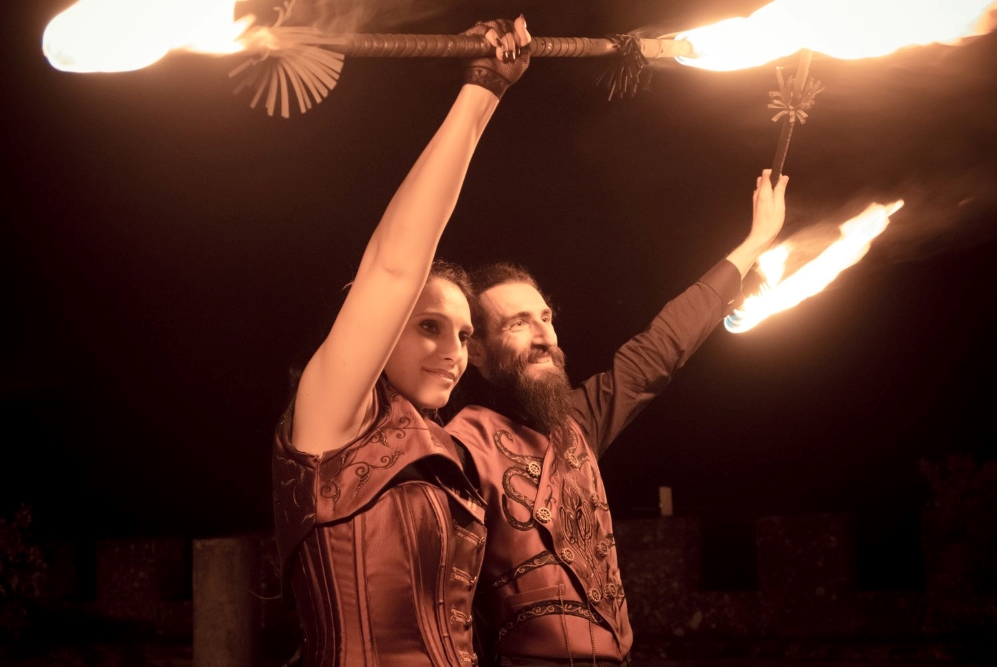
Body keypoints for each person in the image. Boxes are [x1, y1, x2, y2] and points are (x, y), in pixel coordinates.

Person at [446, 169, 789, 667]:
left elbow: (660, 349)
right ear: (475, 350)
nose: (544, 336)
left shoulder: (576, 426)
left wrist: (755, 243)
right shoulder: (457, 446)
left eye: (546, 318)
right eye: (518, 324)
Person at [271, 17, 530, 667]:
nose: (453, 349)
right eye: (428, 325)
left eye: (465, 334)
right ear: (382, 332)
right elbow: (394, 264)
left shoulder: (449, 447)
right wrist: (483, 91)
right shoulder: (329, 415)